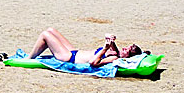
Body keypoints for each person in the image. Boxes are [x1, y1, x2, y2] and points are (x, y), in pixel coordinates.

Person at [12, 27, 142, 66]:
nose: (124, 49)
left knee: (45, 35)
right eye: (126, 47)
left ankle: (29, 58)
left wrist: (105, 49)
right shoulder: (116, 52)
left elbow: (93, 63)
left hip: (69, 58)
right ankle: (33, 54)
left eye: (127, 51)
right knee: (51, 30)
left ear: (128, 57)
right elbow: (108, 37)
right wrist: (110, 38)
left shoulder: (114, 58)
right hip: (74, 51)